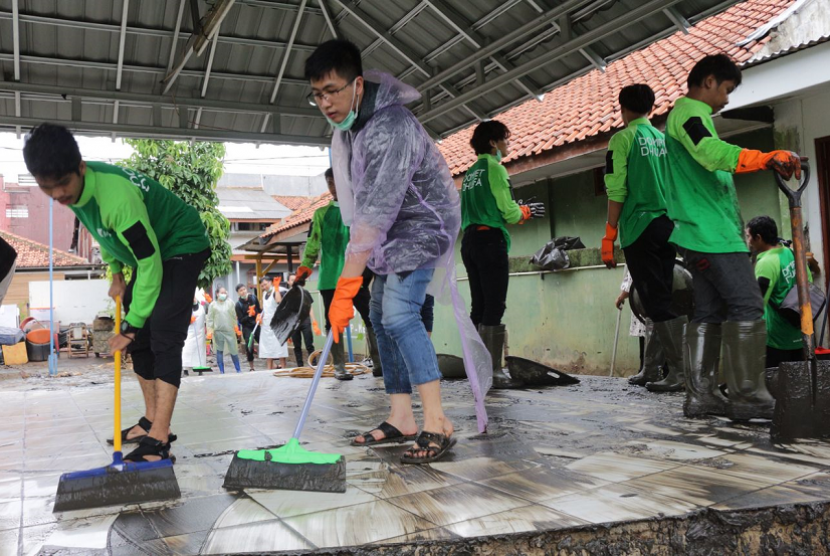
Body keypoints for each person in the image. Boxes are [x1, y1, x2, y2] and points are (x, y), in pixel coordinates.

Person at [306, 39, 483, 463]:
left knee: (400, 313)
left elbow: (376, 208)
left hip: (423, 227)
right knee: (383, 314)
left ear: (358, 84)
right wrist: (354, 280)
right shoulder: (354, 128)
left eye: (332, 90)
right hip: (391, 232)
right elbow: (365, 207)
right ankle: (402, 417)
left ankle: (436, 420)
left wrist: (347, 284)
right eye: (317, 94)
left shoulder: (390, 126)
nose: (326, 102)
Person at [23, 123, 210, 463]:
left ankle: (159, 439)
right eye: (46, 188)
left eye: (63, 184)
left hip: (180, 243)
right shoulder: (75, 192)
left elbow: (151, 263)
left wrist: (132, 325)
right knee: (139, 343)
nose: (57, 195)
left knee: (163, 335)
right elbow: (102, 231)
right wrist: (116, 272)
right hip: (148, 252)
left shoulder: (116, 196)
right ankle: (151, 420)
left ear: (80, 168)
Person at [664, 54, 803, 420]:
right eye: (726, 90)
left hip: (698, 234)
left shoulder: (688, 117)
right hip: (712, 235)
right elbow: (711, 154)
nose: (727, 100)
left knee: (708, 313)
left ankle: (701, 396)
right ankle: (749, 396)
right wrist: (764, 157)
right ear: (709, 81)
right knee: (748, 305)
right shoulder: (690, 115)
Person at [601, 84, 682, 392]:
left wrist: (609, 234)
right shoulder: (664, 140)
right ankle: (651, 368)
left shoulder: (621, 139)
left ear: (624, 108)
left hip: (639, 227)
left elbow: (616, 189)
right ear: (651, 107)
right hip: (667, 226)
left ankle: (679, 372)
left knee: (657, 302)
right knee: (656, 299)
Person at [459, 120, 545, 388]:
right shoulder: (495, 168)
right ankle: (493, 372)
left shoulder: (470, 173)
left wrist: (512, 208)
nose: (508, 144)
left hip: (470, 241)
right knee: (495, 305)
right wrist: (525, 212)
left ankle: (475, 369)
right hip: (489, 240)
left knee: (479, 306)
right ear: (493, 142)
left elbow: (486, 206)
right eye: (505, 139)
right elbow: (507, 211)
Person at [297, 168, 379, 380]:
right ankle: (339, 367)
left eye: (337, 182)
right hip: (331, 278)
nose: (333, 187)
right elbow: (312, 245)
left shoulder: (360, 212)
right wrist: (304, 270)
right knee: (334, 322)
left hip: (357, 277)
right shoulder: (321, 214)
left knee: (371, 318)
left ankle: (380, 363)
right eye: (330, 183)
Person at [746, 216, 807, 368]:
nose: (747, 241)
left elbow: (757, 304)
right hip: (799, 333)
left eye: (748, 236)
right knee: (797, 385)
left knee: (775, 385)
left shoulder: (766, 263)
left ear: (758, 238)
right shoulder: (791, 253)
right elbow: (808, 283)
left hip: (776, 339)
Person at [617, 269, 666, 386]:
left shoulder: (637, 253)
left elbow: (630, 282)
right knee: (663, 340)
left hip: (645, 304)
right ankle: (661, 373)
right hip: (663, 305)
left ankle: (647, 372)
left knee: (647, 339)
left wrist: (620, 297)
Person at [207, 286, 242, 374]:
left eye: (225, 293)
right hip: (218, 331)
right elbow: (210, 319)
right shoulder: (213, 305)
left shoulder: (230, 303)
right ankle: (221, 371)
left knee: (233, 349)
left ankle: (238, 369)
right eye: (221, 293)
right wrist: (210, 331)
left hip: (229, 330)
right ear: (217, 294)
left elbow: (234, 316)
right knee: (219, 350)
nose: (223, 294)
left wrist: (236, 327)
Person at [258, 276, 288, 370]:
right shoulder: (264, 294)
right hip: (266, 324)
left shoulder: (276, 291)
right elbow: (263, 308)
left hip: (277, 322)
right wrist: (260, 317)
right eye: (262, 285)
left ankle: (283, 367)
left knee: (280, 346)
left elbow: (279, 301)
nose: (264, 287)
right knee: (267, 347)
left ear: (270, 282)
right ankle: (269, 368)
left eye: (265, 284)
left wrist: (276, 287)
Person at [287, 273, 316, 367]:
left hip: (305, 321)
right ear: (288, 282)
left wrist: (314, 321)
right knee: (297, 347)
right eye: (292, 280)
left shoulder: (305, 292)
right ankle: (300, 366)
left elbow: (310, 307)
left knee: (309, 345)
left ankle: (314, 365)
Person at [235, 283, 261, 371]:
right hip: (247, 328)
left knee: (263, 343)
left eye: (244, 289)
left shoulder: (253, 298)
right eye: (240, 291)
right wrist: (249, 315)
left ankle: (272, 364)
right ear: (238, 293)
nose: (243, 292)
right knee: (249, 346)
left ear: (246, 289)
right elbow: (241, 320)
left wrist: (257, 315)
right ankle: (252, 367)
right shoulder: (238, 305)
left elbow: (259, 310)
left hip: (256, 325)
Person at [182, 289, 207, 376]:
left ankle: (200, 369)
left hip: (200, 333)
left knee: (199, 352)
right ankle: (185, 369)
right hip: (189, 332)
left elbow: (203, 317)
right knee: (186, 350)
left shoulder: (201, 307)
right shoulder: (185, 307)